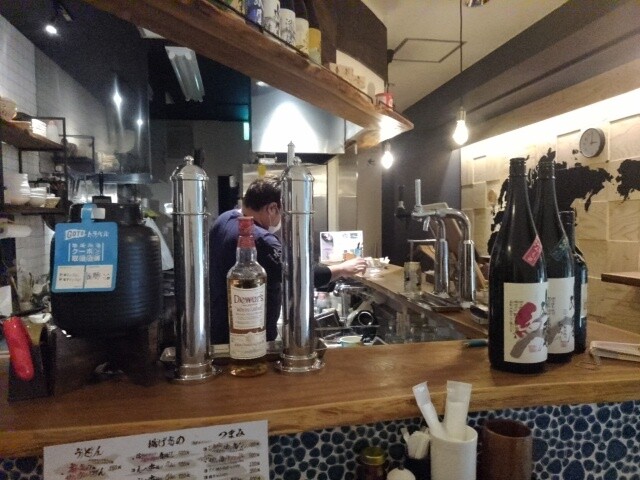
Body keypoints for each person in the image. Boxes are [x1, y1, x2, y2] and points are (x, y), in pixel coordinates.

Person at [209, 175, 367, 345]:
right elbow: (299, 274)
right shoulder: (260, 239)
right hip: (248, 337)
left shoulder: (224, 219)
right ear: (272, 208)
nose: (282, 220)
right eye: (283, 213)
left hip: (219, 328)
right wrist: (342, 269)